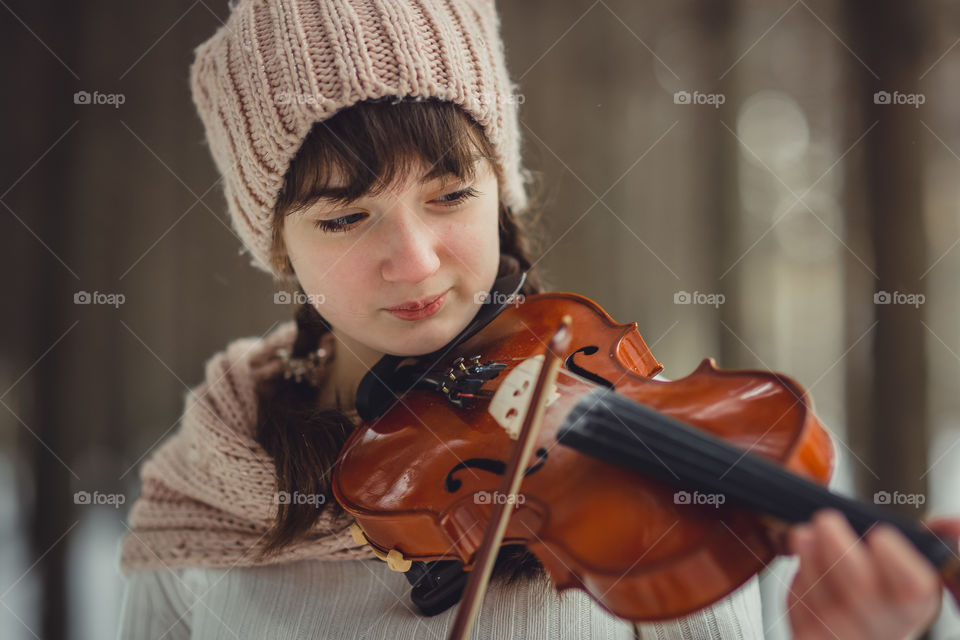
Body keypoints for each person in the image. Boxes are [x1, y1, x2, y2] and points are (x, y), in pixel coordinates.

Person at [116, 0, 959, 638]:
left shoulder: (650, 480)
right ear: (277, 247)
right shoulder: (200, 500)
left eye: (449, 197)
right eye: (344, 219)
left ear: (501, 193)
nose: (414, 261)